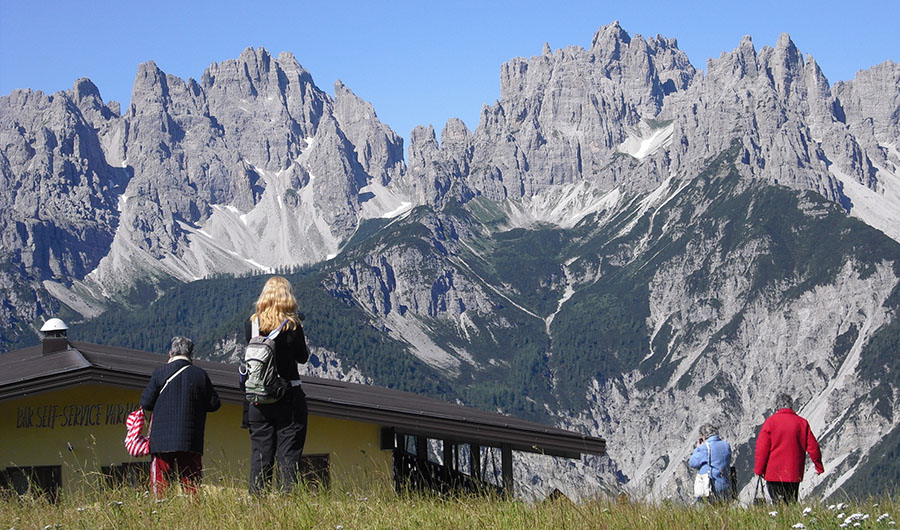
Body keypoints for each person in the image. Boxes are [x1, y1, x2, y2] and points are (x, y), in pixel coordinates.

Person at [243, 276, 310, 494]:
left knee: (260, 454)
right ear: (287, 297)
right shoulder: (292, 326)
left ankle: (257, 501)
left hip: (257, 399)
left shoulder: (252, 324)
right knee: (288, 455)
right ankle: (287, 503)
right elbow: (302, 357)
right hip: (288, 397)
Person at [140, 336, 220, 497]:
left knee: (161, 483)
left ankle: (160, 510)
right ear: (191, 353)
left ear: (170, 353)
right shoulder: (200, 375)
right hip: (191, 438)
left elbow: (146, 403)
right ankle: (193, 513)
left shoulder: (159, 373)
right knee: (192, 482)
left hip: (161, 439)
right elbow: (214, 405)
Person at [754, 393, 824, 503]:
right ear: (791, 406)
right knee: (791, 502)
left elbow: (762, 448)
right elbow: (813, 447)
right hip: (794, 472)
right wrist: (819, 466)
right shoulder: (802, 423)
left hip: (773, 473)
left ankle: (780, 519)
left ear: (777, 406)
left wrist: (759, 469)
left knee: (777, 503)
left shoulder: (770, 422)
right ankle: (792, 520)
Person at [689, 423, 732, 503]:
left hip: (710, 486)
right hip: (725, 485)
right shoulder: (726, 445)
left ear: (704, 437)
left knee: (705, 512)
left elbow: (692, 462)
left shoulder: (704, 447)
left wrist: (698, 448)